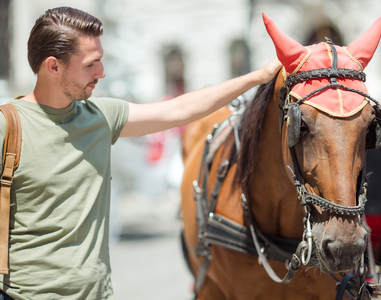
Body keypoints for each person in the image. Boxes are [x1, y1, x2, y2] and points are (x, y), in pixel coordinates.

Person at [0, 6, 281, 300]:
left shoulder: (100, 117)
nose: (102, 73)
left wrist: (257, 77)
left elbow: (180, 109)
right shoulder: (8, 126)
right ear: (53, 67)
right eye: (90, 65)